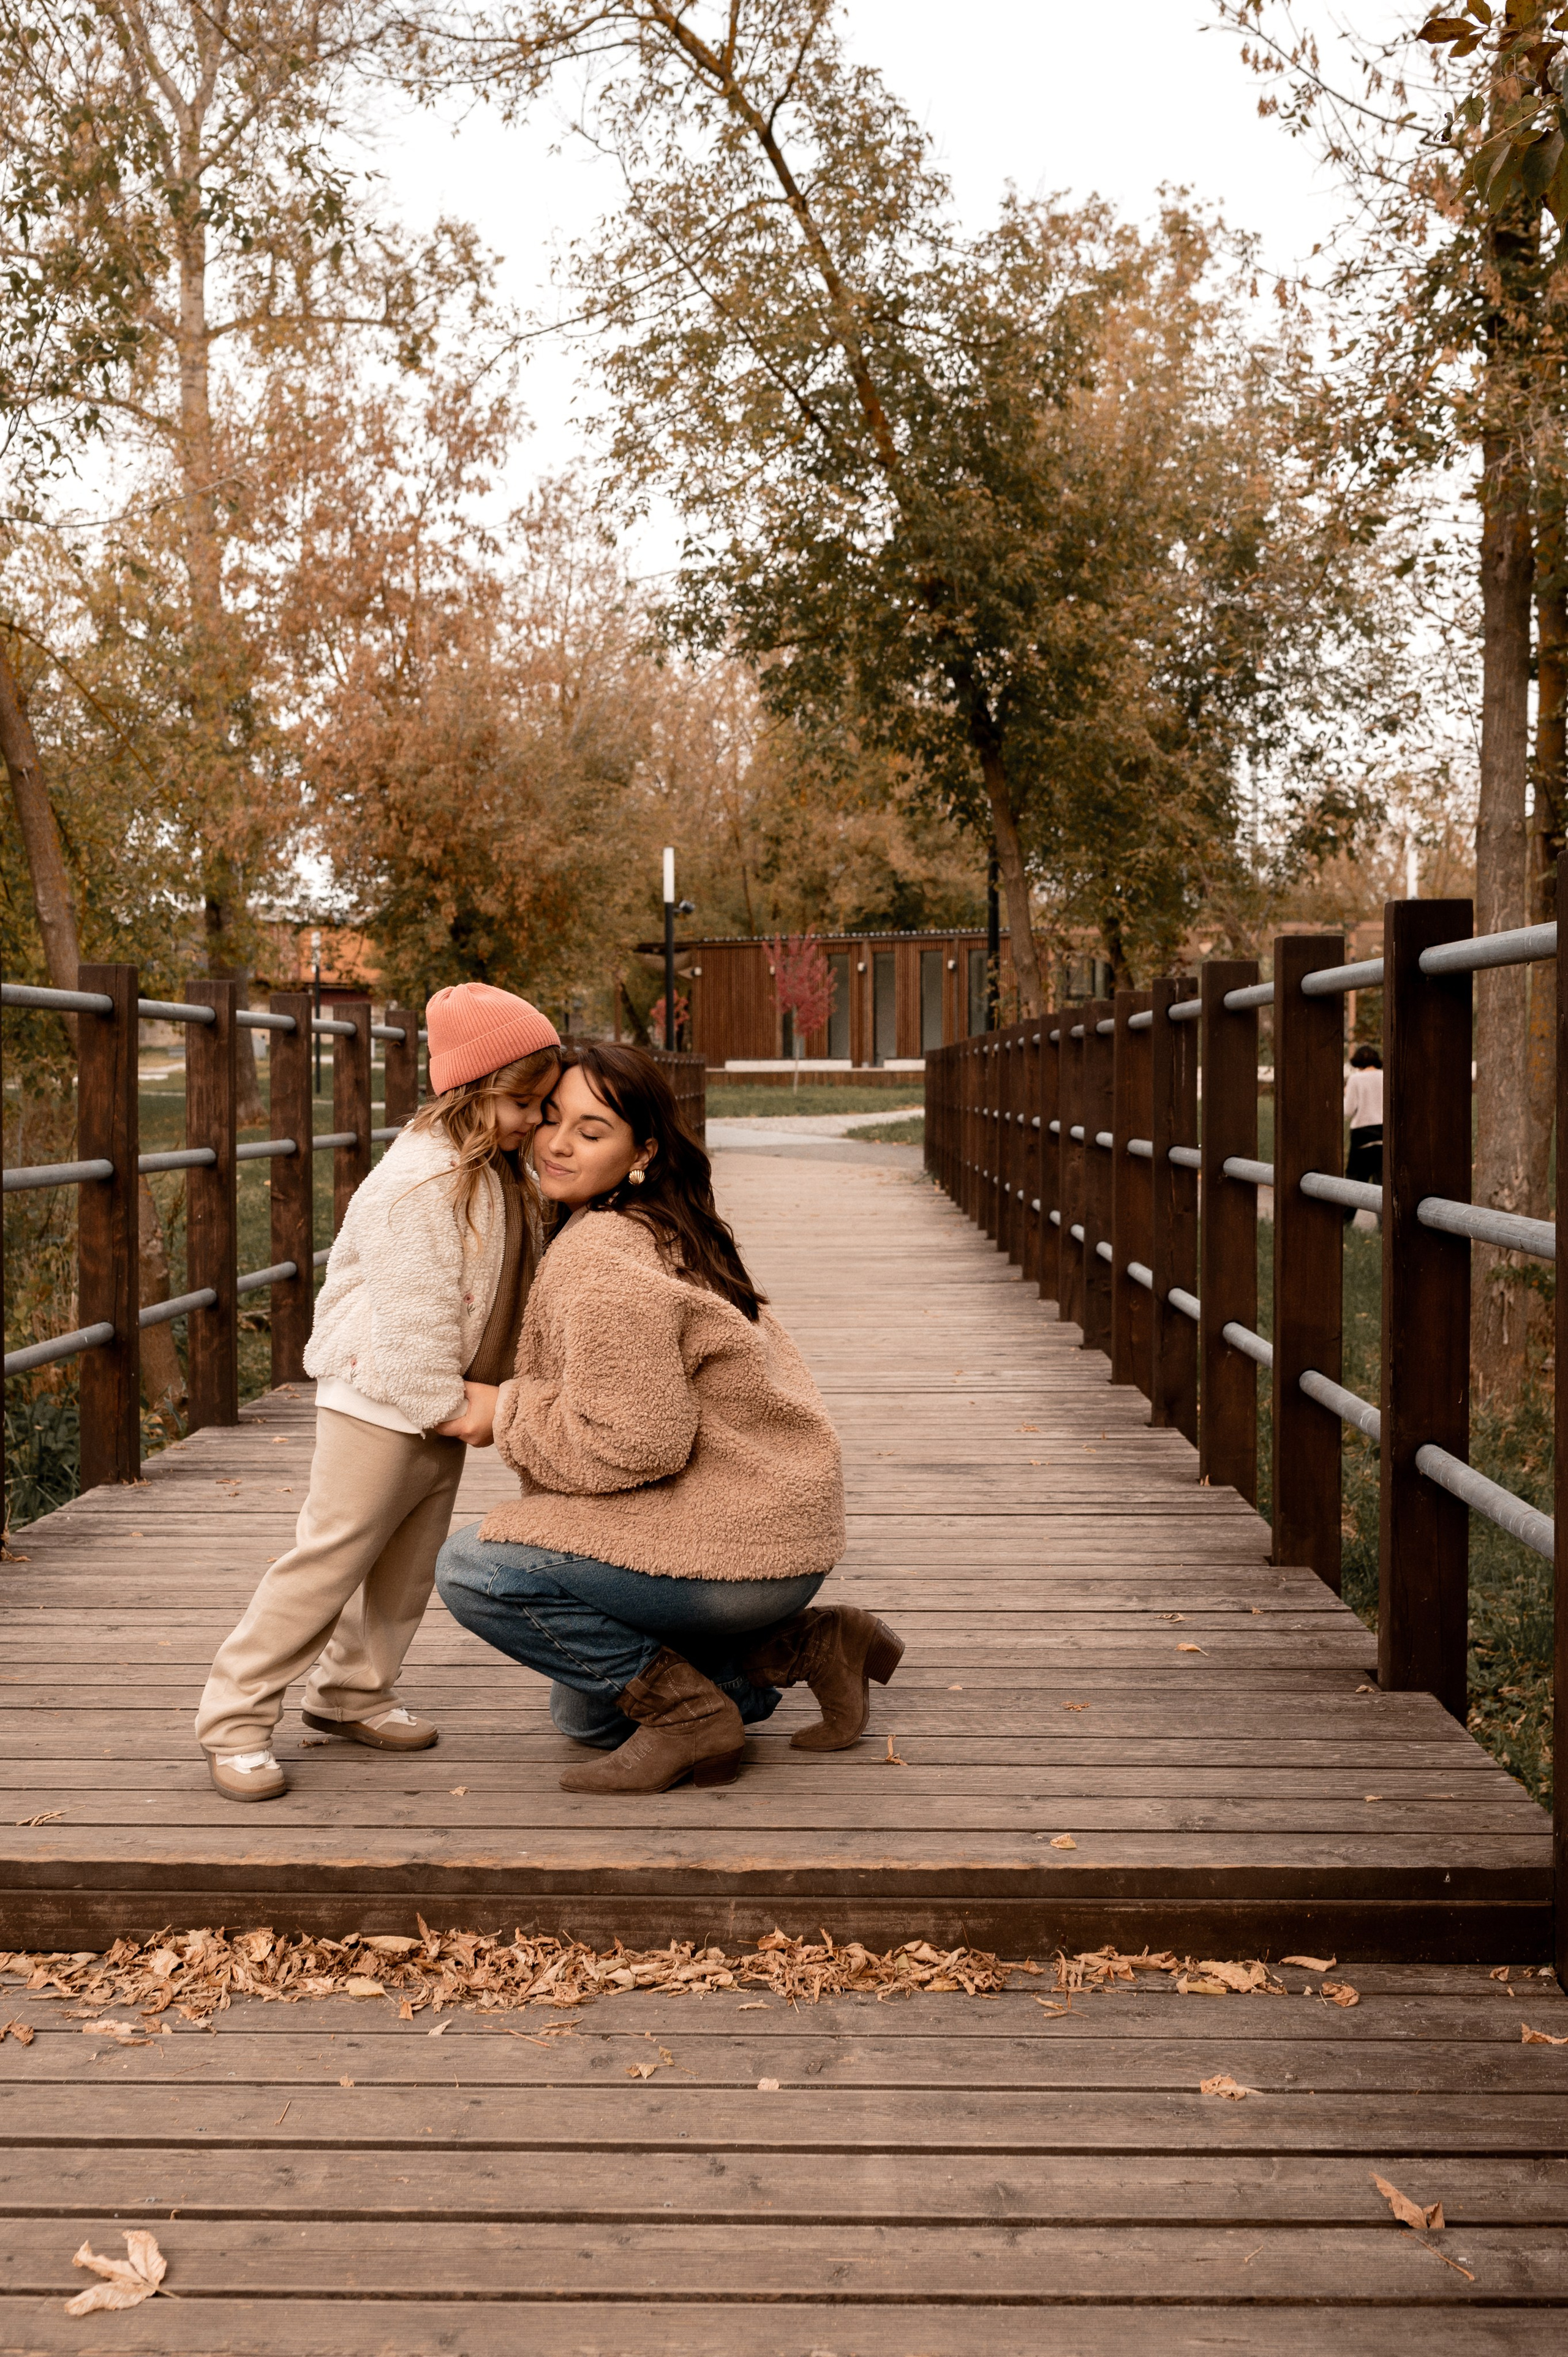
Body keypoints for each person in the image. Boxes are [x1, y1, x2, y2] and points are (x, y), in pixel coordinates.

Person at [434, 1043, 902, 1793]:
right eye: (550, 1118)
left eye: (591, 1132)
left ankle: (694, 1720)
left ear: (642, 1150)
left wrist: (507, 1410)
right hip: (773, 1528)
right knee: (587, 1719)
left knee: (475, 1567)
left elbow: (639, 1443)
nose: (556, 1143)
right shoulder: (666, 1222)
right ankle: (803, 1646)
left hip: (735, 1545)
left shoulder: (602, 1261)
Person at [194, 982, 561, 1801]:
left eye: (542, 1104)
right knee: (330, 1559)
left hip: (439, 1402)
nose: (535, 1121)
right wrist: (452, 1408)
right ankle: (235, 1719)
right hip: (383, 1399)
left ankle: (351, 1691)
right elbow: (412, 1320)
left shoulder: (492, 1168)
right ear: (469, 1091)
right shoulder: (420, 1185)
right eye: (524, 1102)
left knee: (405, 1566)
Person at [1344, 1043, 1384, 1224]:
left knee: (1354, 1180)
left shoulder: (1356, 1079)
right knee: (1382, 1183)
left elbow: (1348, 1110)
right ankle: (1385, 1225)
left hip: (1362, 1133)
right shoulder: (1385, 1076)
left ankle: (1346, 1221)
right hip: (1384, 1132)